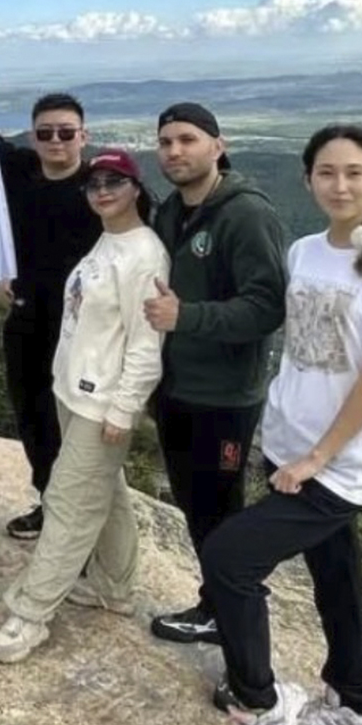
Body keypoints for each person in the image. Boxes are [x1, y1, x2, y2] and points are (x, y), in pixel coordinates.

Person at [198, 125, 362, 725]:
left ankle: (261, 703)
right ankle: (354, 703)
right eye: (326, 173)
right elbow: (337, 355)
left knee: (228, 560)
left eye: (354, 173)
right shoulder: (304, 251)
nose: (340, 185)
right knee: (335, 571)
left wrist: (320, 456)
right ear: (307, 180)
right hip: (290, 438)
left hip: (335, 462)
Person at [0, 149, 169, 664]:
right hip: (73, 392)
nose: (103, 190)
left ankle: (30, 612)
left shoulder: (145, 255)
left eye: (115, 181)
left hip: (101, 401)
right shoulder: (106, 241)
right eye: (94, 184)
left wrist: (123, 409)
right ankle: (114, 587)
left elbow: (146, 344)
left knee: (67, 502)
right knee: (107, 491)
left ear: (137, 189)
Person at [144, 103, 288, 645]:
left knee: (221, 514)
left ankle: (236, 627)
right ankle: (216, 606)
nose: (174, 151)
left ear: (218, 146)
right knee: (196, 506)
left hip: (225, 396)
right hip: (177, 387)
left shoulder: (245, 214)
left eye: (187, 139)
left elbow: (268, 307)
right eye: (165, 142)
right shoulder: (171, 212)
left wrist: (187, 317)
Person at [0, 67, 102, 540]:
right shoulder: (23, 170)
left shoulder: (103, 187)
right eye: (45, 133)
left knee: (77, 425)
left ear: (84, 135)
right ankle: (51, 505)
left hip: (83, 328)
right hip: (26, 318)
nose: (56, 141)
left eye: (66, 132)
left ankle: (86, 524)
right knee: (32, 416)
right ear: (33, 136)